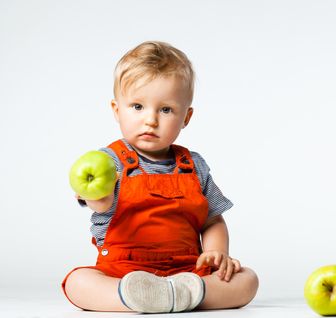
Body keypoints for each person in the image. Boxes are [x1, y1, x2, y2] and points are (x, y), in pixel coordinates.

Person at [62, 41, 259, 313]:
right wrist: (98, 197)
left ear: (186, 117)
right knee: (77, 282)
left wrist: (217, 252)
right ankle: (135, 295)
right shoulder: (110, 162)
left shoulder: (194, 165)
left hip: (188, 271)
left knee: (246, 280)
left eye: (165, 110)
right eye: (137, 106)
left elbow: (213, 218)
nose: (151, 120)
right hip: (124, 272)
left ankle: (181, 293)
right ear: (117, 110)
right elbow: (103, 206)